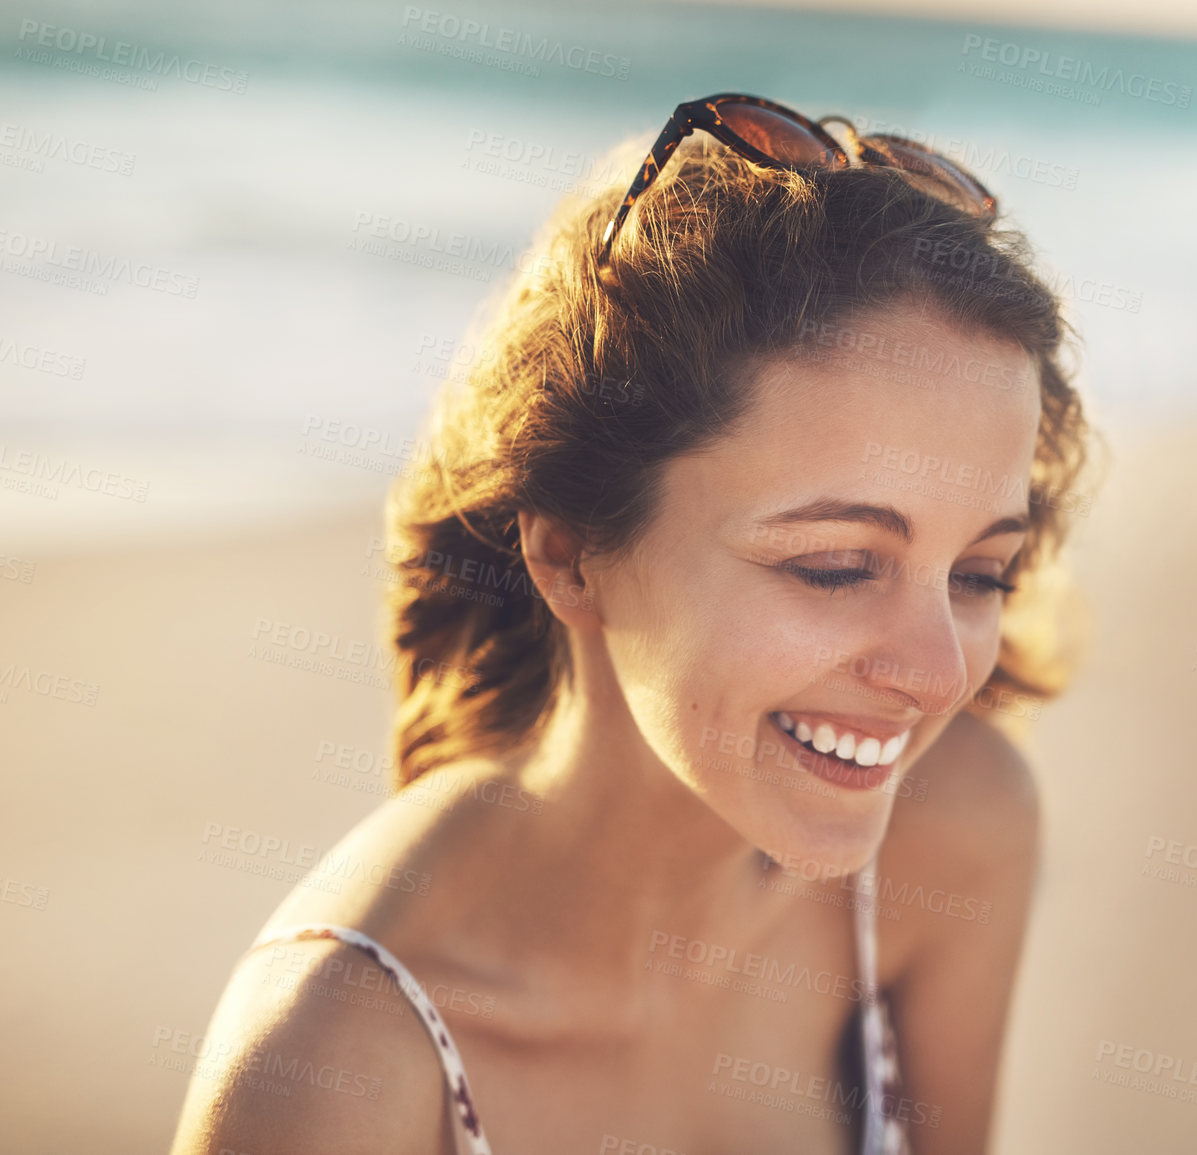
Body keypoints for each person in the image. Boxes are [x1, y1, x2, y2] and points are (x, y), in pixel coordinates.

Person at [170, 93, 1094, 1155]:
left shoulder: (955, 836)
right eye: (837, 567)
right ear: (568, 552)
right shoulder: (336, 1074)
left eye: (982, 573)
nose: (937, 673)